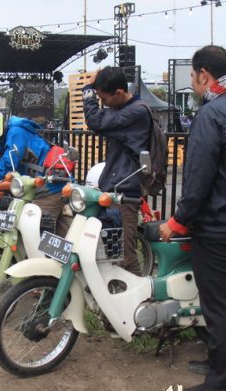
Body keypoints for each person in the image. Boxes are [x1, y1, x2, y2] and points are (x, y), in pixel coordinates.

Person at [158, 46, 226, 391]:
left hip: (217, 227)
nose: (193, 83)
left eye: (193, 76)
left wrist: (178, 220)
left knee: (219, 306)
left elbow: (198, 177)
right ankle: (222, 364)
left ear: (204, 74)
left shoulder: (211, 113)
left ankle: (222, 382)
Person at [82, 66, 151, 275]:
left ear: (119, 93)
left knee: (126, 257)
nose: (103, 104)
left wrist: (88, 89)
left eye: (104, 99)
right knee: (111, 253)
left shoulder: (136, 112)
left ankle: (138, 293)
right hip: (114, 189)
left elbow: (94, 120)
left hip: (126, 194)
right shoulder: (123, 110)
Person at [0, 108, 69, 235]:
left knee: (33, 231)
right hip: (34, 187)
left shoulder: (16, 133)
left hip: (50, 188)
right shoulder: (9, 134)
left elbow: (6, 166)